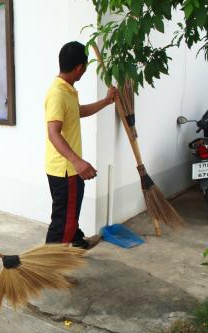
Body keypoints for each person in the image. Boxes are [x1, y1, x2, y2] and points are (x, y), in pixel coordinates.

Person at [44, 41, 117, 249]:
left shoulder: (67, 90)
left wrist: (106, 101)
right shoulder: (58, 93)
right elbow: (53, 133)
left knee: (69, 212)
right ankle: (50, 267)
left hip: (65, 167)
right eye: (84, 68)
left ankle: (76, 241)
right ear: (79, 68)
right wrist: (77, 161)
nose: (84, 71)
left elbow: (79, 112)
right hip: (65, 169)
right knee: (62, 222)